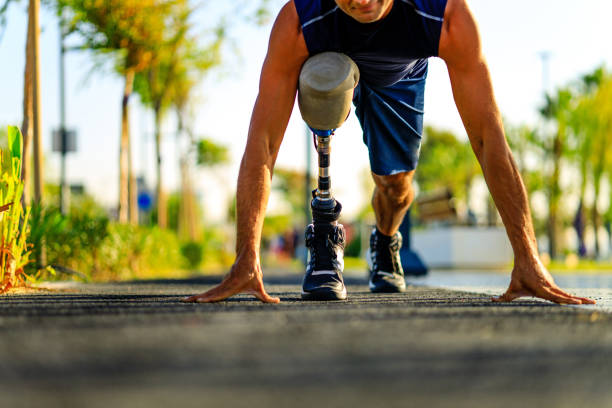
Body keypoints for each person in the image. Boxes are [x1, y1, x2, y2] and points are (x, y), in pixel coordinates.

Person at [184, 0, 596, 305]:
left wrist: (528, 258)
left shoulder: (445, 15)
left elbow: (489, 139)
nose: (363, 1)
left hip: (399, 77)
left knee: (396, 187)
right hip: (329, 64)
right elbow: (264, 143)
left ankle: (384, 241)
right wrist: (245, 258)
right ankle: (324, 231)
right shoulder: (301, 19)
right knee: (323, 83)